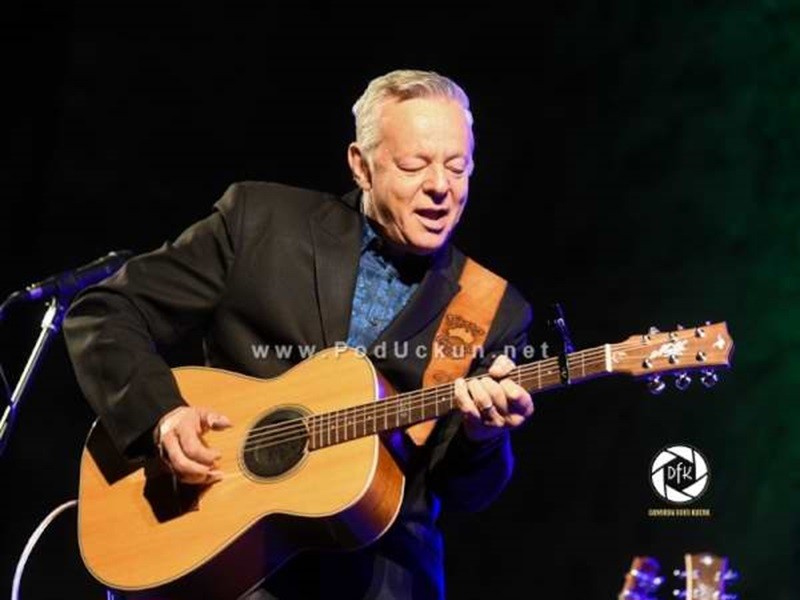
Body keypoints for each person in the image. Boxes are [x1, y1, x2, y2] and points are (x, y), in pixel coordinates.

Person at [64, 69, 534, 599]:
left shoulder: (492, 307)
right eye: (413, 165)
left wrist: (485, 436)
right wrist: (162, 414)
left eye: (458, 167)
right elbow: (106, 311)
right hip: (218, 545)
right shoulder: (260, 221)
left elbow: (464, 491)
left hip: (376, 575)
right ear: (361, 165)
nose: (441, 187)